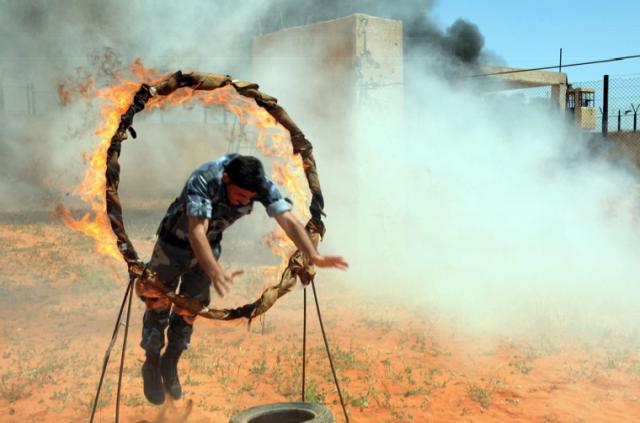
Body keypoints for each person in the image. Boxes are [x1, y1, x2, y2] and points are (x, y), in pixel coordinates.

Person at [138, 153, 348, 404]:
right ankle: (151, 362)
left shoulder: (259, 183)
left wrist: (313, 255)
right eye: (239, 195)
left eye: (249, 198)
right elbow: (196, 232)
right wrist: (215, 271)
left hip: (210, 246)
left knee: (190, 308)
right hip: (173, 247)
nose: (244, 201)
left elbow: (287, 220)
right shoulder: (204, 179)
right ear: (226, 179)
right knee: (157, 303)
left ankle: (170, 362)